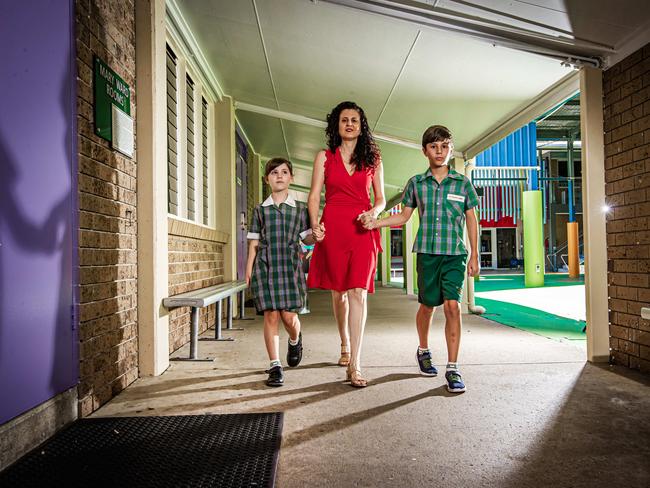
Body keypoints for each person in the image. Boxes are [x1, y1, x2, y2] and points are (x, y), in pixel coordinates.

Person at [361, 125, 479, 393]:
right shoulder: (417, 183)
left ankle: (453, 368)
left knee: (451, 306)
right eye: (434, 147)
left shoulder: (463, 183)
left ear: (450, 149)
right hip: (427, 253)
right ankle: (423, 349)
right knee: (428, 306)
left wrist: (473, 255)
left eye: (445, 146)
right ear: (425, 150)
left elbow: (471, 218)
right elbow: (403, 217)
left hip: (455, 255)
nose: (440, 151)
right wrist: (375, 223)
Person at [307, 101, 385, 387]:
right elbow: (314, 195)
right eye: (344, 120)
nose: (350, 124)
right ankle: (344, 343)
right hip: (334, 228)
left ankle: (356, 364)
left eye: (354, 120)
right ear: (336, 126)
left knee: (358, 293)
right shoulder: (324, 157)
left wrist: (374, 213)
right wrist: (315, 224)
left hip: (362, 228)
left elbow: (381, 198)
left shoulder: (373, 158)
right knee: (338, 293)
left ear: (361, 125)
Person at [246, 158, 322, 387]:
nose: (279, 176)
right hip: (266, 266)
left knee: (289, 317)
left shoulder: (300, 209)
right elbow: (254, 244)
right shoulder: (259, 211)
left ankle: (295, 338)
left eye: (284, 172)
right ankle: (275, 366)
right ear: (266, 179)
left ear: (291, 178)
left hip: (290, 266)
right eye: (274, 172)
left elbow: (307, 238)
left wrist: (316, 235)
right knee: (271, 315)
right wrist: (248, 271)